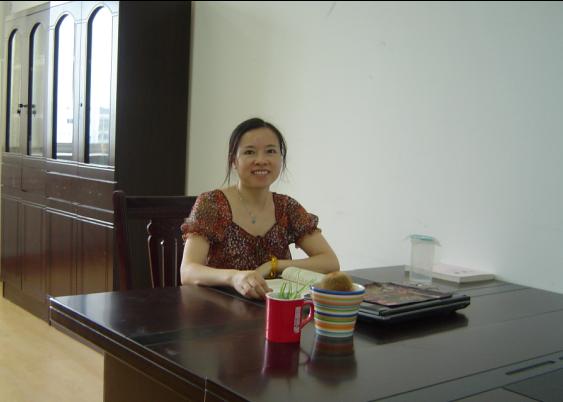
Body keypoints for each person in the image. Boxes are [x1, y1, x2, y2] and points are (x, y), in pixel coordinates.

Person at [180, 117, 340, 299]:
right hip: (221, 305)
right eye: (250, 152)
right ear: (233, 161)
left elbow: (330, 262)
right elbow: (188, 271)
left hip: (274, 306)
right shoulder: (212, 203)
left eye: (270, 151)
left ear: (281, 158)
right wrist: (234, 277)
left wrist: (274, 265)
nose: (261, 160)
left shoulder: (287, 207)